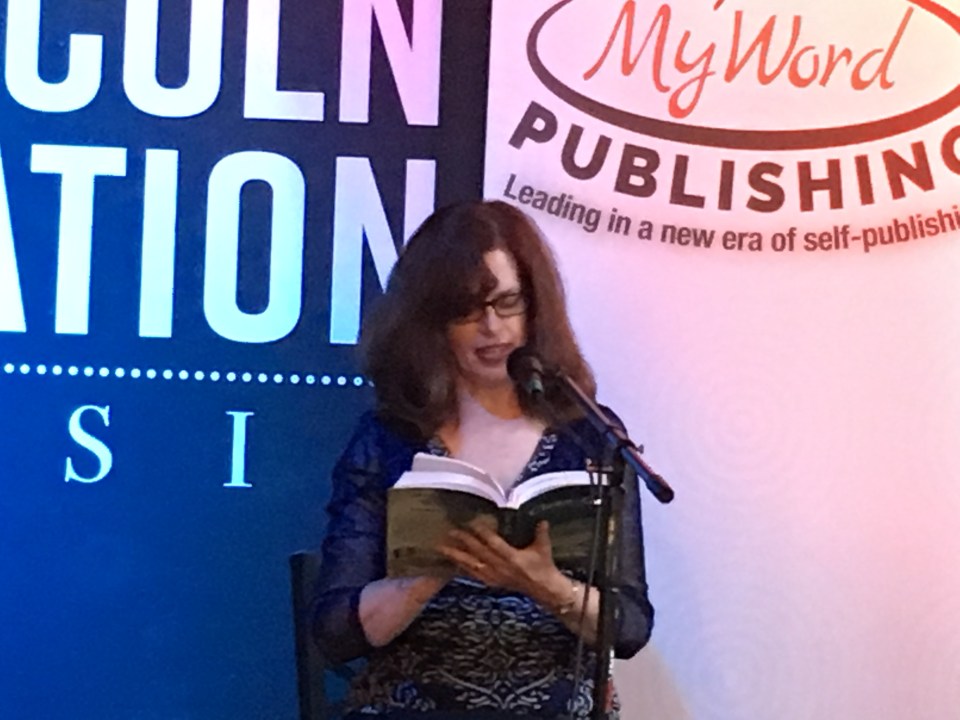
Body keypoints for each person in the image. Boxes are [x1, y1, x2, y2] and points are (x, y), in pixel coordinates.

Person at [312, 200, 654, 719]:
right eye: (467, 310)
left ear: (536, 306)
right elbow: (335, 632)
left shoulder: (588, 436)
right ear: (432, 321)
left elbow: (629, 626)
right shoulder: (389, 439)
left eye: (508, 303)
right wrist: (430, 573)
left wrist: (547, 586)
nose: (492, 327)